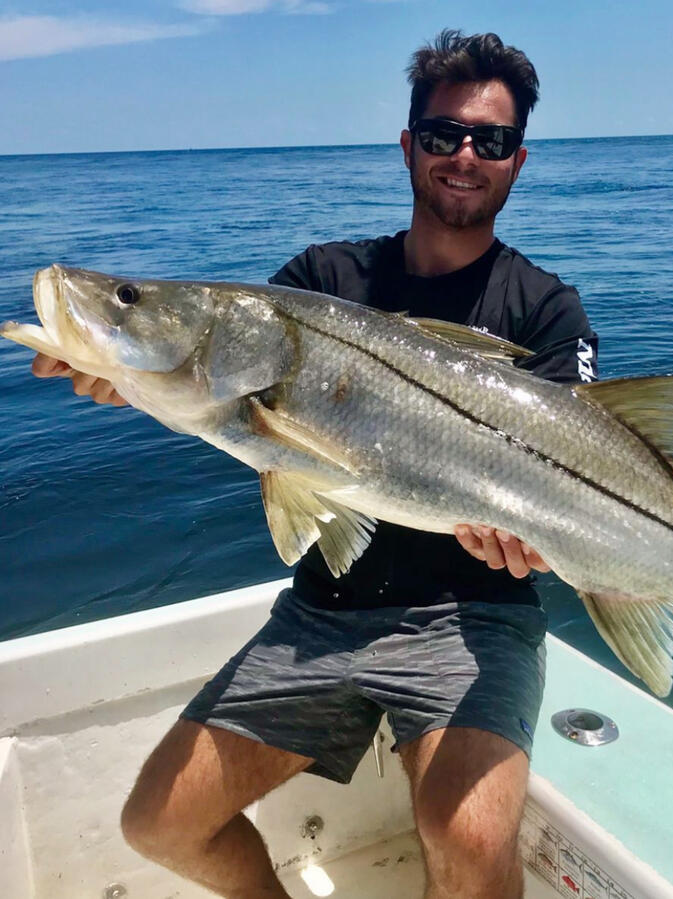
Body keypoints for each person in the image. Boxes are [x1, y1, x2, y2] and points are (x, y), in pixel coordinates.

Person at [33, 30, 598, 899]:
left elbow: (582, 481)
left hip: (474, 614)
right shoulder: (316, 281)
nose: (464, 156)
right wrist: (128, 379)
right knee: (157, 822)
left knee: (470, 841)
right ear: (409, 144)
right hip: (323, 612)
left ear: (517, 159)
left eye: (488, 140)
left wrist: (543, 544)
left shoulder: (548, 313)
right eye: (444, 134)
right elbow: (239, 416)